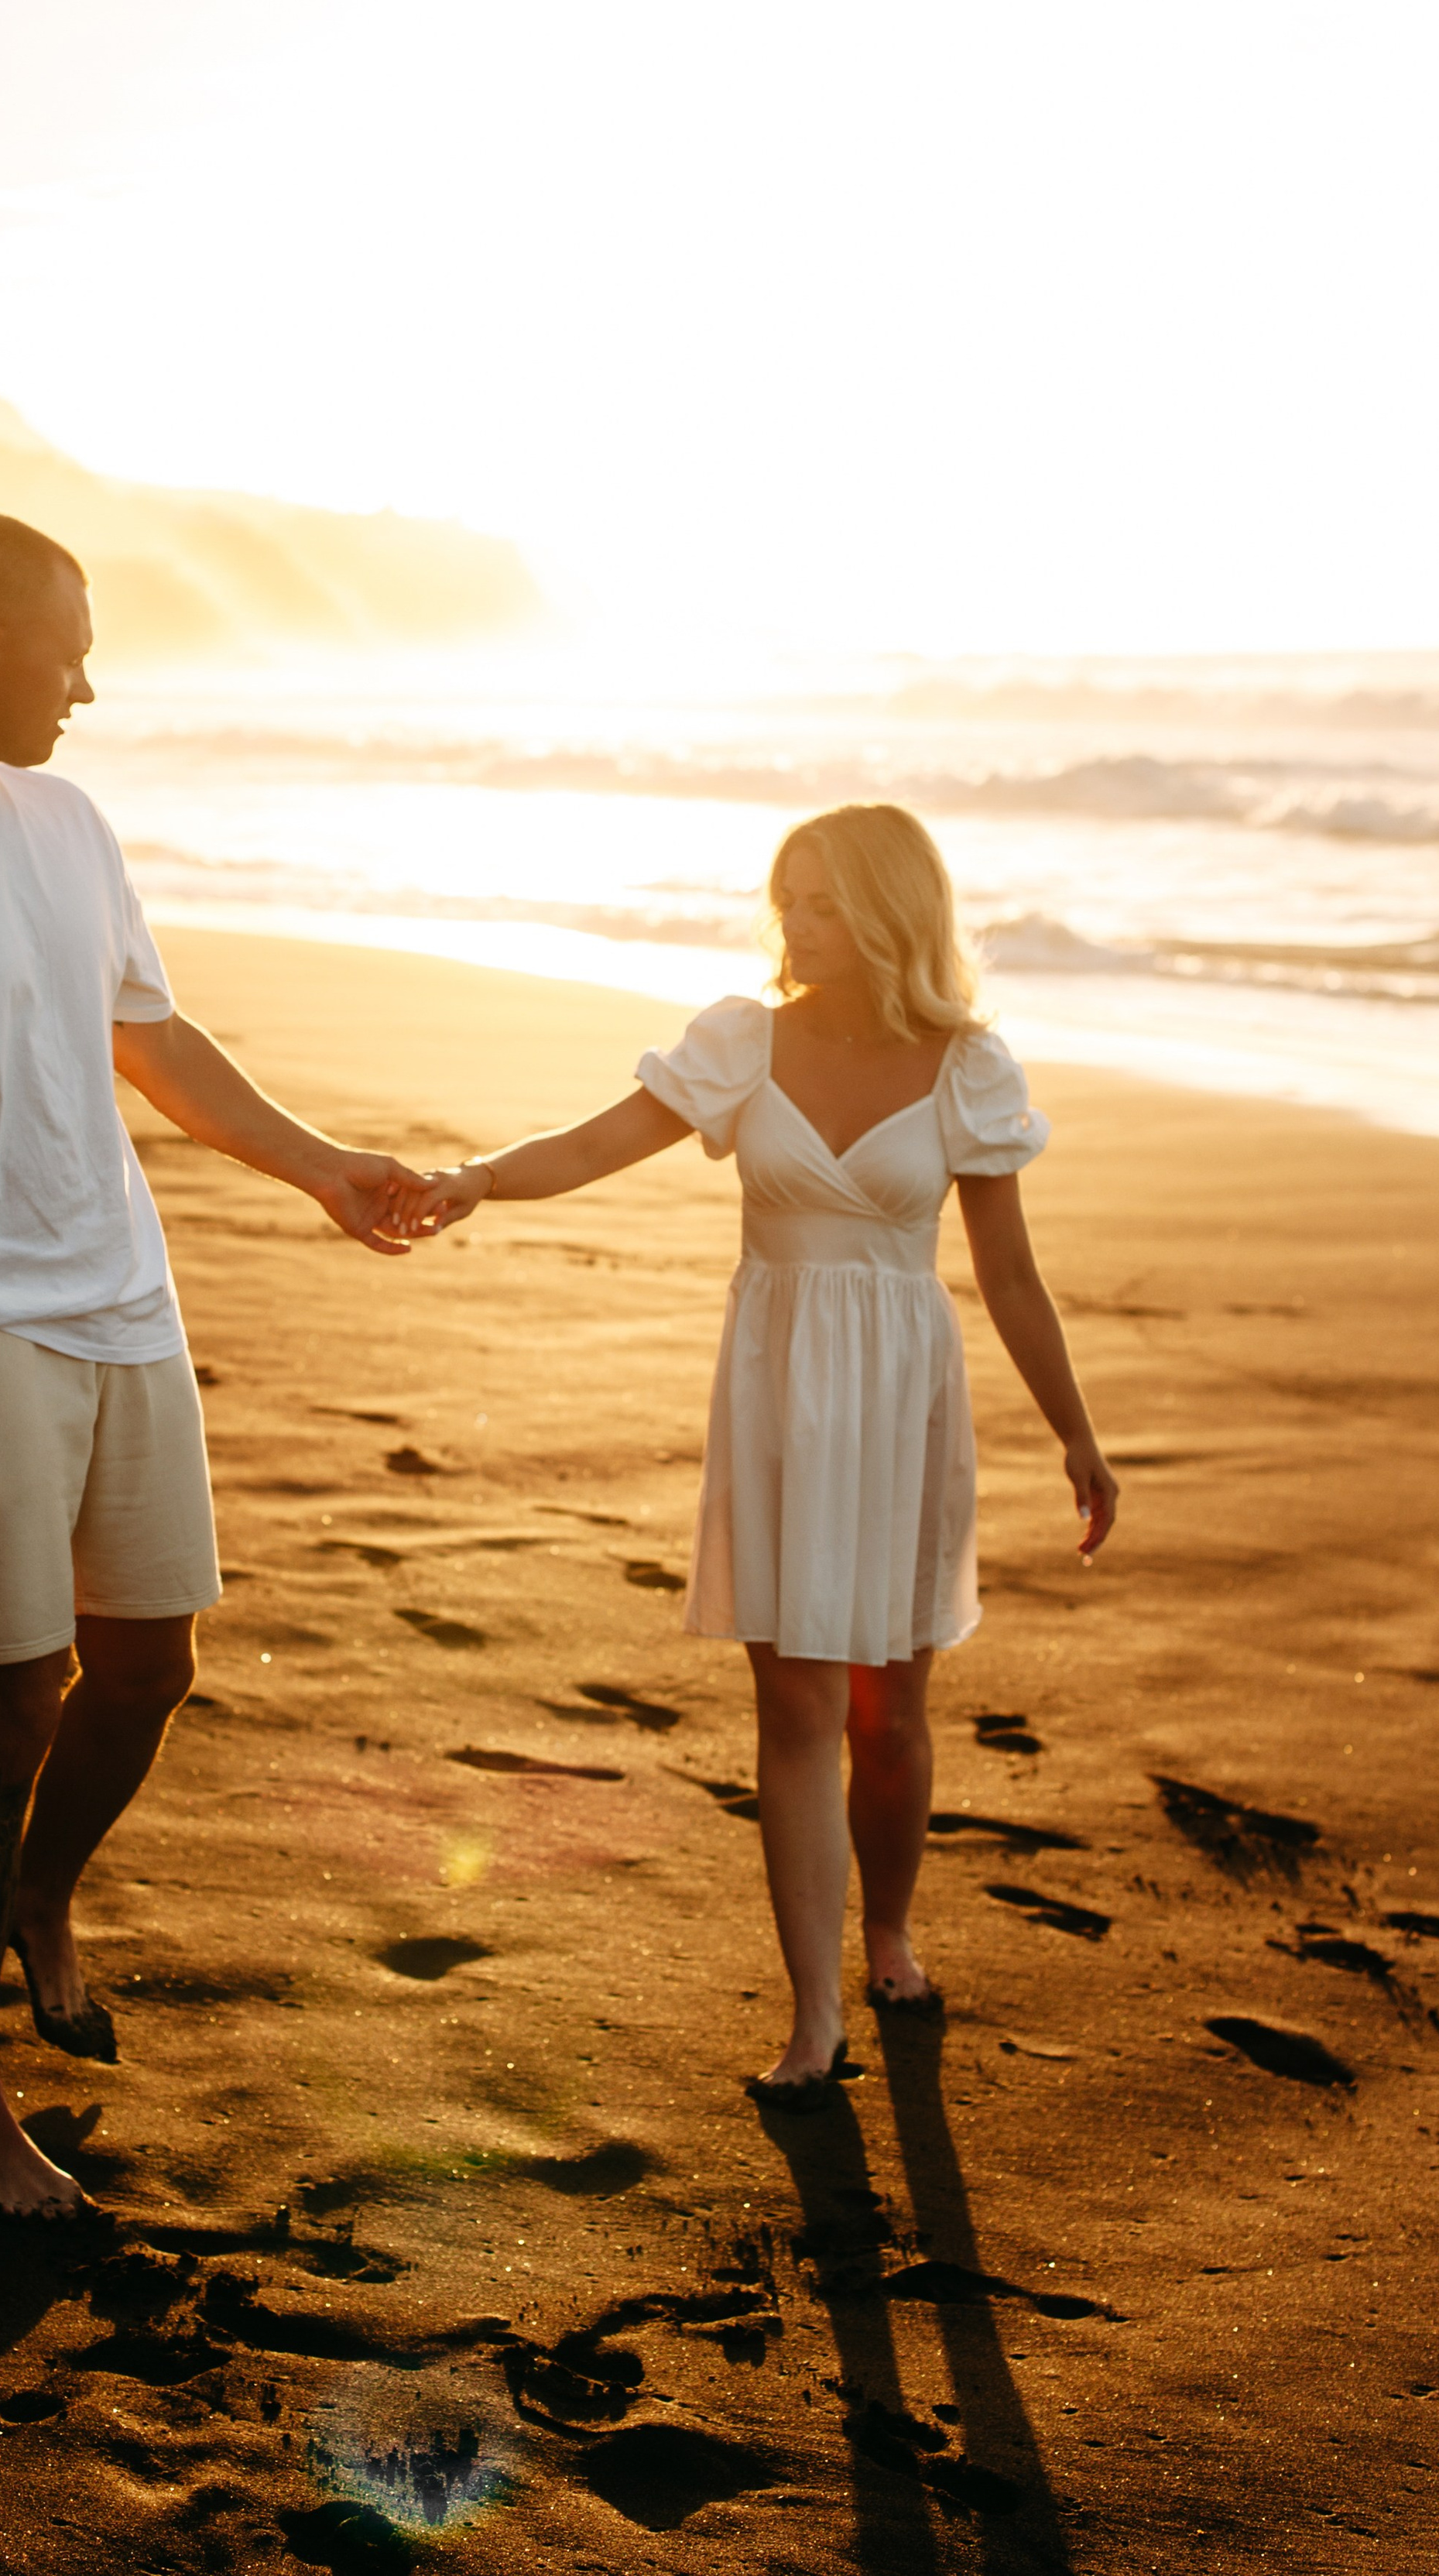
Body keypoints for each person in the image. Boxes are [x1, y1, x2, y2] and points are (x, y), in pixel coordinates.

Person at [0, 513, 430, 2218]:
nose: (88, 686)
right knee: (4, 1709)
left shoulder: (67, 819)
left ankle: (40, 1898)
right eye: (69, 651)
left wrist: (323, 1166)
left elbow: (149, 1034)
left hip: (124, 1300)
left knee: (148, 1667)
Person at [389, 804, 1117, 2107]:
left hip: (903, 1394)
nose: (798, 923)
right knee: (796, 1705)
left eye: (827, 901)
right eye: (789, 897)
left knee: (891, 1711)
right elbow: (598, 1142)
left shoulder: (967, 1067)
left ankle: (887, 1931)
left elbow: (1009, 1273)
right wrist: (479, 1176)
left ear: (891, 912)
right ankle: (816, 2014)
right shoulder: (743, 1042)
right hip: (780, 1389)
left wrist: (1078, 1435)